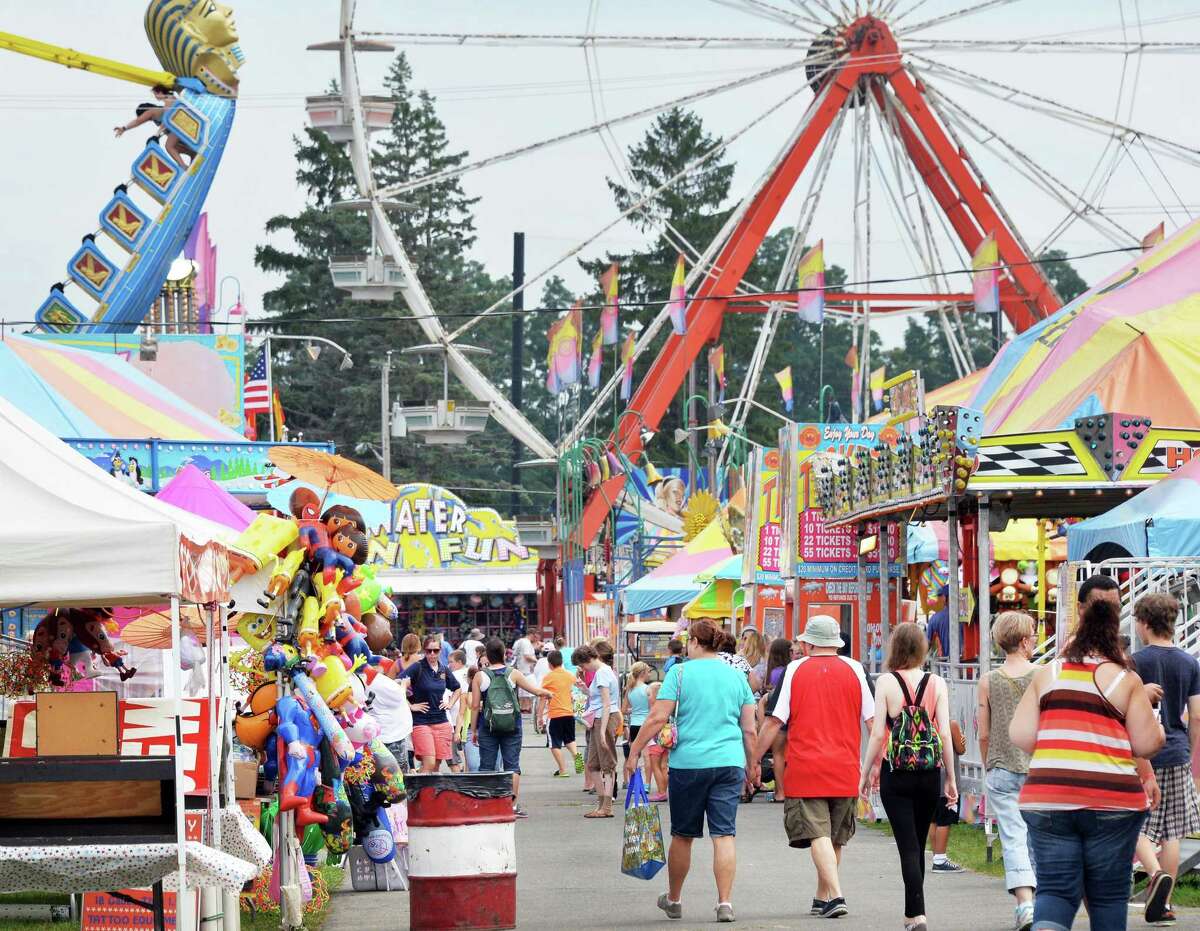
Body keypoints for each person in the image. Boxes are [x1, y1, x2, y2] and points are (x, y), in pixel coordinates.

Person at [1011, 597, 1164, 931]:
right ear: (1114, 635)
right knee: (1107, 895)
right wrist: (1159, 730)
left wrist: (1060, 739)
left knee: (1056, 890)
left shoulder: (1048, 673)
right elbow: (1145, 744)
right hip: (1113, 802)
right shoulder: (1125, 680)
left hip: (1048, 798)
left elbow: (1020, 734)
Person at [626, 618, 758, 924]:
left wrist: (635, 751)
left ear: (696, 643)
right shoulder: (737, 676)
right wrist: (751, 765)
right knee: (724, 835)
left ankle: (674, 899)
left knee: (683, 835)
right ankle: (724, 903)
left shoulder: (679, 673)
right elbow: (749, 729)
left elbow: (657, 718)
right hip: (729, 763)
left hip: (689, 765)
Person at [755, 616, 874, 920]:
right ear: (836, 643)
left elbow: (773, 722)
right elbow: (874, 723)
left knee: (818, 833)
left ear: (808, 643)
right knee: (834, 837)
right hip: (846, 765)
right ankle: (822, 896)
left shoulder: (794, 670)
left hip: (806, 766)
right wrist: (876, 765)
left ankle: (835, 895)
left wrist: (753, 760)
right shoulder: (856, 669)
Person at [860, 622, 956, 931]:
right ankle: (913, 913)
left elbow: (877, 735)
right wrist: (950, 777)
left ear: (894, 648)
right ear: (922, 648)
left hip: (896, 772)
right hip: (929, 773)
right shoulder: (936, 683)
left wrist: (865, 772)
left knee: (908, 845)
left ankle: (917, 915)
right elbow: (943, 733)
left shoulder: (886, 682)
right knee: (918, 840)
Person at [1132, 593, 1200, 925]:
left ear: (1144, 623)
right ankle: (1166, 904)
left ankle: (1155, 873)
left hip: (1143, 753)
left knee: (1138, 825)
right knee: (1172, 832)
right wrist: (1188, 748)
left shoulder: (1135, 662)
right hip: (1177, 752)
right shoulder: (1190, 663)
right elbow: (1197, 716)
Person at [977, 611, 1038, 931]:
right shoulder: (1043, 676)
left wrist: (989, 763)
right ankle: (1045, 905)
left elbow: (983, 732)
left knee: (1013, 837)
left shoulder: (988, 680)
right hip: (1038, 768)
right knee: (1039, 837)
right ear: (1025, 640)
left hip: (1001, 767)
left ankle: (1024, 905)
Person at [470, 636, 551, 818]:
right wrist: (548, 693)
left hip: (488, 727)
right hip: (512, 725)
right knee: (512, 766)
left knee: (487, 766)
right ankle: (512, 806)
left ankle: (487, 805)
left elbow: (475, 706)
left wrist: (474, 729)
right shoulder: (513, 673)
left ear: (488, 656)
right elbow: (535, 691)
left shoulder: (479, 676)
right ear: (503, 654)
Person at [398, 635, 462, 773]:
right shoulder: (418, 667)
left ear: (440, 650)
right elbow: (399, 683)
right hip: (421, 722)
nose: (432, 654)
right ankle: (416, 790)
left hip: (441, 721)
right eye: (428, 651)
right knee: (429, 763)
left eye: (436, 650)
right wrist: (410, 705)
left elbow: (457, 688)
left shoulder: (444, 669)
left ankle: (425, 789)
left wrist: (450, 704)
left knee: (436, 765)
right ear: (424, 651)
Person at [572, 645, 622, 817]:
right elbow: (599, 698)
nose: (583, 669)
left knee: (607, 764)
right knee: (593, 764)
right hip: (599, 719)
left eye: (582, 665)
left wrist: (602, 732)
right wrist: (584, 689)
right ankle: (602, 805)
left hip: (603, 719)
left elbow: (607, 703)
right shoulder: (605, 671)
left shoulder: (601, 673)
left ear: (586, 660)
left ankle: (606, 806)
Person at [113, 84, 195, 166]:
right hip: (181, 124)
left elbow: (139, 121)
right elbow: (166, 125)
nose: (155, 96)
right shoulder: (165, 104)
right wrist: (158, 136)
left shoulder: (154, 109)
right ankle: (192, 153)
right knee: (175, 145)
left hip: (181, 123)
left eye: (155, 94)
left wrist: (124, 128)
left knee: (169, 146)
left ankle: (183, 166)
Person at [759, 637, 793, 803]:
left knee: (778, 753)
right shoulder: (791, 669)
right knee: (788, 754)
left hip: (778, 715)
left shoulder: (774, 672)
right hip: (793, 715)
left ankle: (781, 791)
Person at [541, 650, 578, 778]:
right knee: (570, 740)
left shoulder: (548, 677)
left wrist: (540, 717)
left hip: (555, 714)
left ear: (549, 664)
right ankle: (578, 763)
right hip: (569, 713)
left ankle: (562, 770)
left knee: (554, 744)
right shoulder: (569, 675)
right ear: (562, 661)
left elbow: (543, 697)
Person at [623, 662, 653, 780]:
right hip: (646, 725)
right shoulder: (647, 689)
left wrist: (634, 710)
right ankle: (647, 783)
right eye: (648, 671)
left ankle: (632, 781)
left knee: (634, 754)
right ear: (643, 673)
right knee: (647, 755)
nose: (650, 674)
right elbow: (652, 708)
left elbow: (624, 710)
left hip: (634, 725)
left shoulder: (630, 689)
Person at [644, 677, 670, 803]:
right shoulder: (667, 707)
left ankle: (661, 792)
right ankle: (664, 790)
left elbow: (650, 725)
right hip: (666, 739)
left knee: (655, 766)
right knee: (664, 766)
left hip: (655, 740)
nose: (647, 697)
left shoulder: (654, 709)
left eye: (649, 695)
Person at [445, 649, 469, 773]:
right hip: (468, 719)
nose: (449, 665)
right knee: (465, 752)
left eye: (451, 662)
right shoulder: (471, 673)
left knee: (453, 755)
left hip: (455, 718)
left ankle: (459, 776)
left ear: (459, 662)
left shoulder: (454, 676)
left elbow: (448, 697)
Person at [738, 628, 766, 695]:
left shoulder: (763, 662)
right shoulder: (738, 658)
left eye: (749, 639)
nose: (746, 641)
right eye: (744, 638)